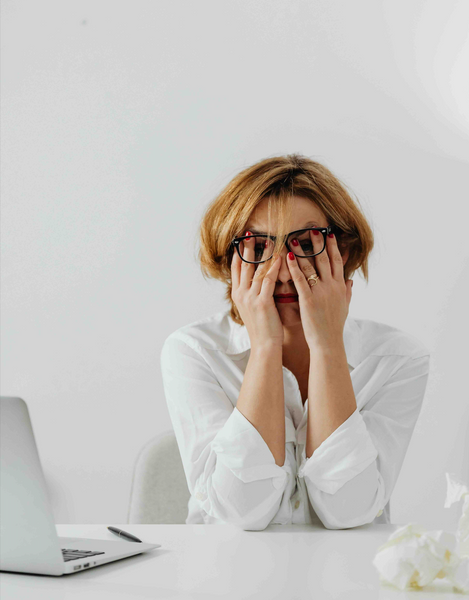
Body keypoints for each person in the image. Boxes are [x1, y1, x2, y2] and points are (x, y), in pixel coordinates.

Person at [161, 153, 430, 530]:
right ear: (230, 258)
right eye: (258, 247)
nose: (284, 273)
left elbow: (349, 511)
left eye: (305, 243)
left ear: (345, 252)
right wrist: (266, 348)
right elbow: (242, 513)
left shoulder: (396, 359)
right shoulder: (194, 352)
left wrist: (327, 348)